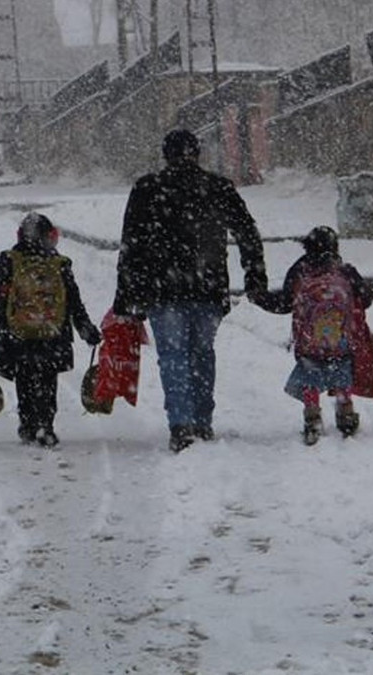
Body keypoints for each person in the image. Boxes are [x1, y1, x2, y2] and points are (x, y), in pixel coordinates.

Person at [112, 129, 268, 453]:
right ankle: (202, 420)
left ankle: (181, 424)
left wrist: (126, 297)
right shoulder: (217, 188)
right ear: (197, 153)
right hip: (208, 287)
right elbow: (247, 232)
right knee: (202, 354)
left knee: (173, 358)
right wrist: (255, 276)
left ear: (165, 154)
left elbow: (132, 245)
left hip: (163, 289)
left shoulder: (147, 189)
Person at [0, 212, 101, 448]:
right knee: (47, 379)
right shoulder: (58, 264)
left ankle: (27, 424)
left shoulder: (10, 260)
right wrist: (86, 329)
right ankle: (45, 424)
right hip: (52, 334)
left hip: (17, 334)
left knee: (24, 378)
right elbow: (74, 302)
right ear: (49, 236)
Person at [252, 226, 373, 445]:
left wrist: (259, 297)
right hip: (341, 341)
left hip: (309, 343)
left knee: (310, 377)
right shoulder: (345, 271)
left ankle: (312, 416)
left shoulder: (300, 270)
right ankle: (345, 412)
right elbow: (366, 298)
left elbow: (284, 304)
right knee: (341, 372)